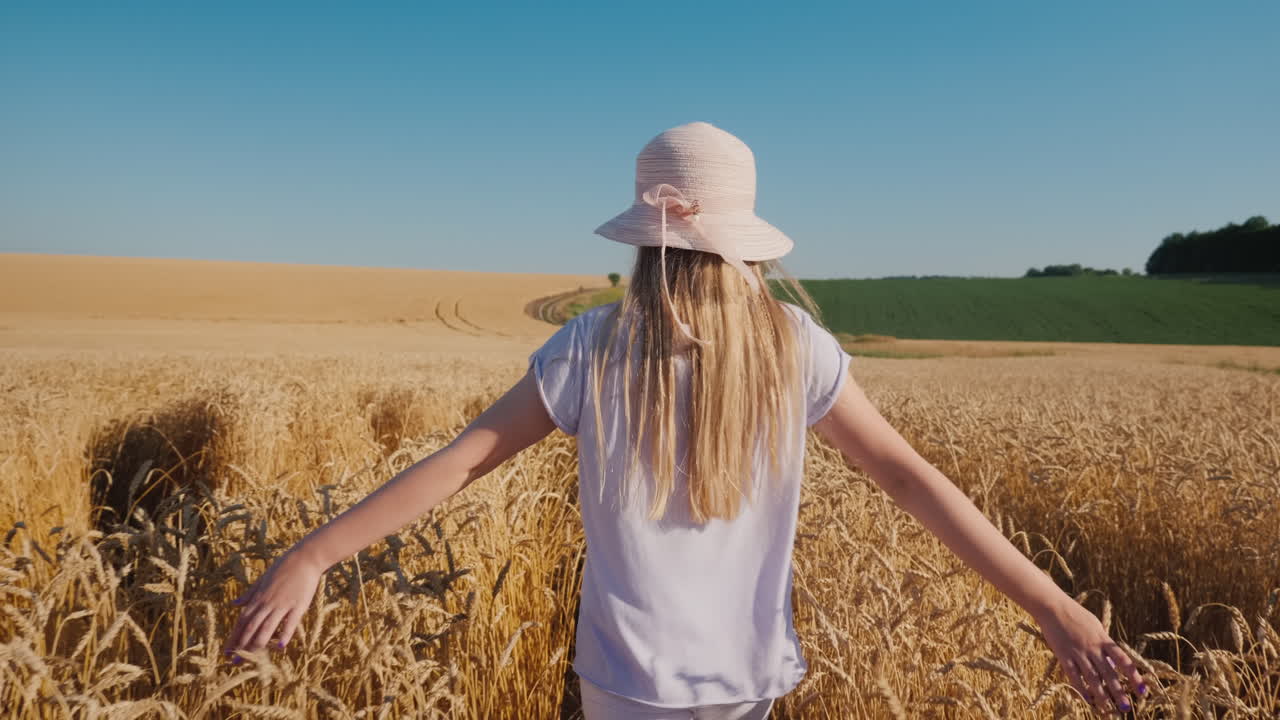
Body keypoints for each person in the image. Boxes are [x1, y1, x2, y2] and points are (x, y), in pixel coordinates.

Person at [224, 122, 1147, 718]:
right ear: (741, 238)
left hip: (622, 683)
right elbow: (909, 480)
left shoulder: (590, 347)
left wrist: (313, 555)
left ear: (645, 238)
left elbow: (460, 464)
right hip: (747, 682)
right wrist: (1056, 608)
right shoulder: (795, 347)